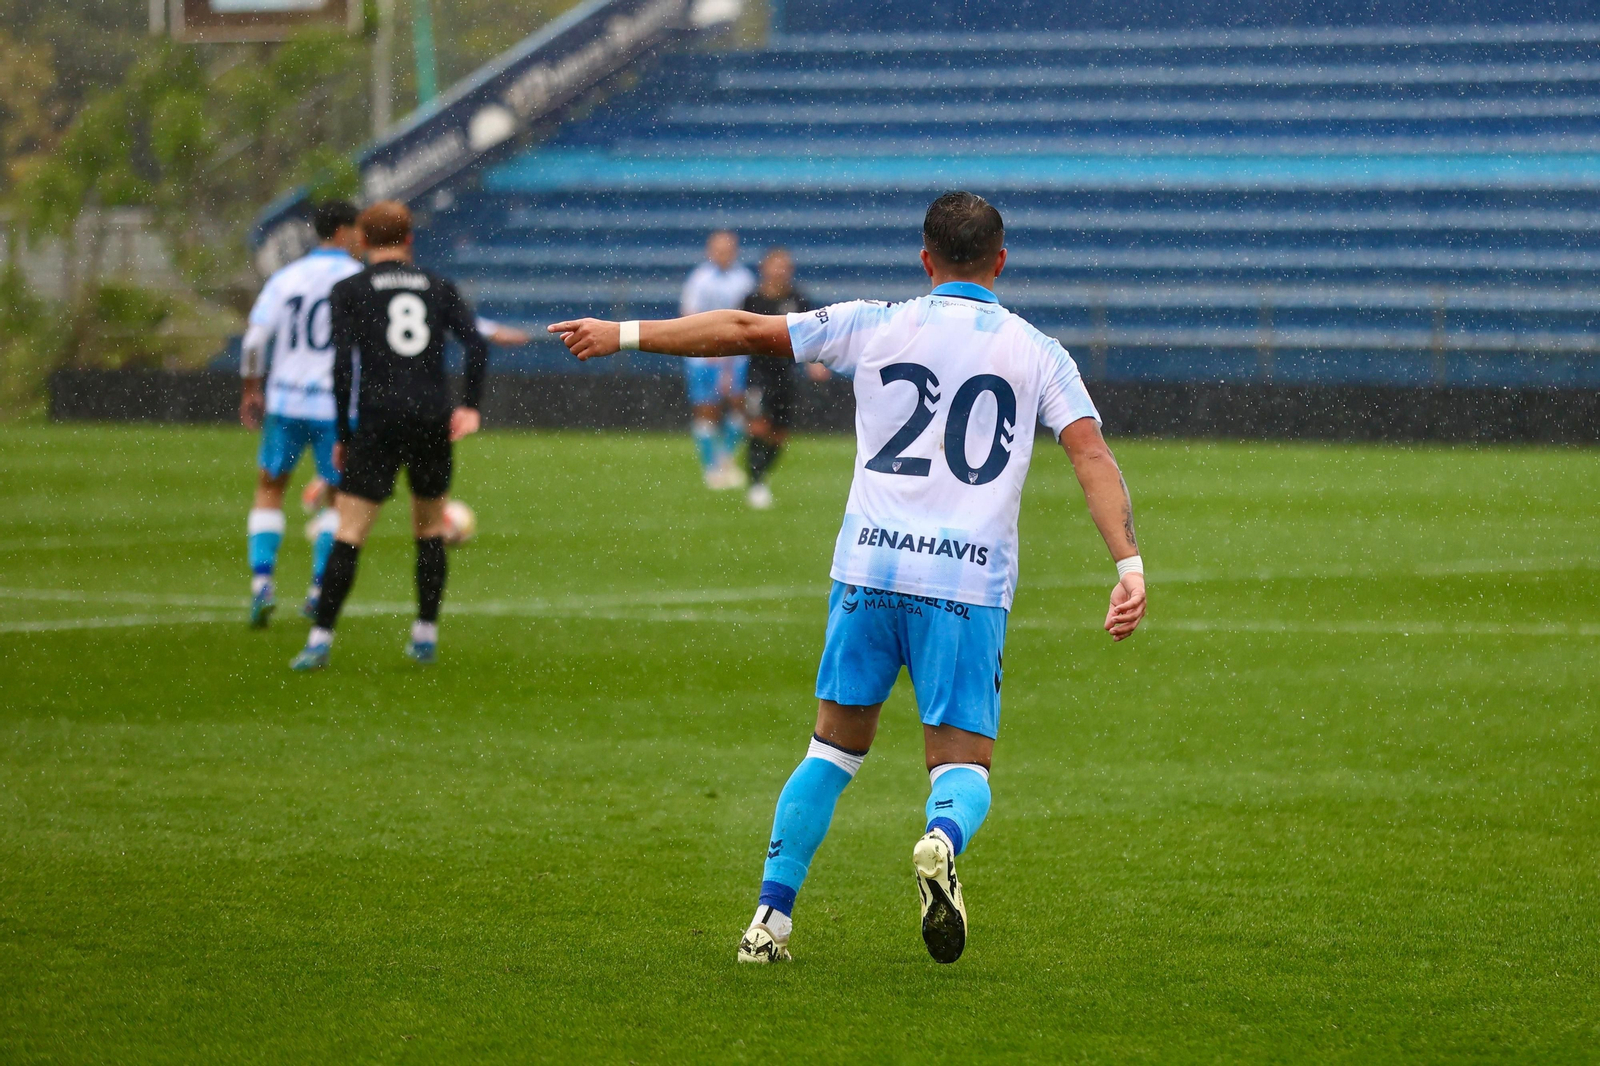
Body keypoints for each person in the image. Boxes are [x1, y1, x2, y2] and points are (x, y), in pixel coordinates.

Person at [549, 191, 1147, 965]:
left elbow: (742, 329)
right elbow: (1090, 454)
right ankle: (940, 837)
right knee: (961, 764)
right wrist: (1127, 565)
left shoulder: (875, 320)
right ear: (1001, 262)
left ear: (925, 260)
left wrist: (622, 332)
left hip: (868, 568)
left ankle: (770, 920)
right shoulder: (1039, 352)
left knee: (831, 749)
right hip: (965, 586)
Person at [290, 201, 489, 671]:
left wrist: (343, 430)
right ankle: (425, 634)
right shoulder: (438, 287)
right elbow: (477, 345)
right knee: (429, 531)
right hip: (430, 418)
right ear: (409, 239)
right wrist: (471, 408)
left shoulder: (350, 290)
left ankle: (320, 638)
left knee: (350, 533)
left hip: (378, 420)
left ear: (361, 239)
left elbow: (342, 365)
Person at [239, 200, 364, 627]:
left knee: (270, 487)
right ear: (346, 232)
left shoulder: (286, 278)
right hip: (336, 405)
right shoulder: (357, 279)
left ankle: (261, 585)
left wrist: (252, 389)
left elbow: (256, 339)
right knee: (338, 497)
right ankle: (316, 590)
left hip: (287, 401)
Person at [740, 247, 829, 510]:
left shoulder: (798, 300)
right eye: (775, 266)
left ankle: (761, 474)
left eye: (784, 266)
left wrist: (815, 363)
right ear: (764, 269)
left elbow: (812, 336)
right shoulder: (752, 300)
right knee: (758, 426)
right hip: (758, 375)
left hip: (786, 375)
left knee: (779, 434)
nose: (779, 271)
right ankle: (755, 482)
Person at [680, 230, 755, 489]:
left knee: (738, 405)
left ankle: (725, 460)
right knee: (706, 408)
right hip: (703, 356)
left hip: (735, 355)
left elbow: (748, 318)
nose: (724, 253)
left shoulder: (744, 279)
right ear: (710, 251)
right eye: (719, 248)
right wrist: (705, 347)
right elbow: (688, 316)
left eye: (728, 248)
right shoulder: (699, 279)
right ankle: (711, 467)